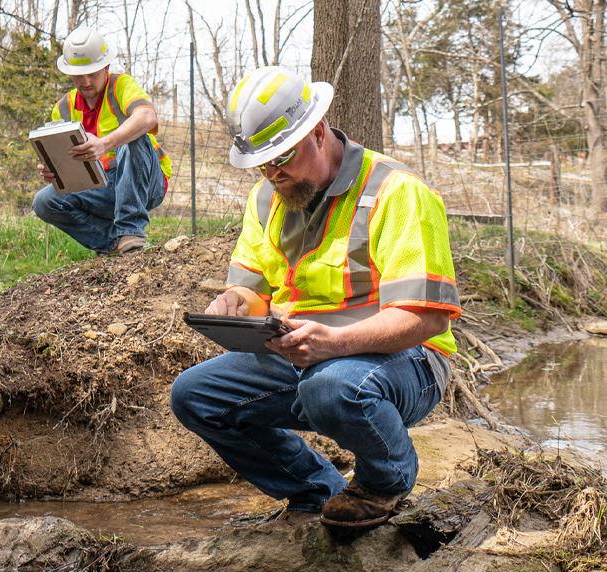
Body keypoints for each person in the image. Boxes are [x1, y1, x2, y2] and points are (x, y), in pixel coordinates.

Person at [170, 66, 459, 533]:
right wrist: (236, 304)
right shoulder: (267, 198)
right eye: (262, 164)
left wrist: (336, 342)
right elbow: (251, 288)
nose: (273, 173)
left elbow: (425, 319)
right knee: (194, 395)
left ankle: (385, 482)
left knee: (330, 386)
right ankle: (315, 490)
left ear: (319, 131)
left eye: (282, 157)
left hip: (406, 359)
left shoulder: (396, 191)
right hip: (307, 353)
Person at [31, 25, 173, 254]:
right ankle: (113, 244)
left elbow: (147, 117)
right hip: (101, 186)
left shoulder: (121, 86)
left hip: (147, 182)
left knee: (132, 136)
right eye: (79, 76)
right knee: (44, 201)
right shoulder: (63, 108)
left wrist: (105, 144)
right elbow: (68, 162)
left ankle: (131, 231)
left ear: (106, 67)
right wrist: (56, 172)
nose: (86, 81)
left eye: (93, 74)